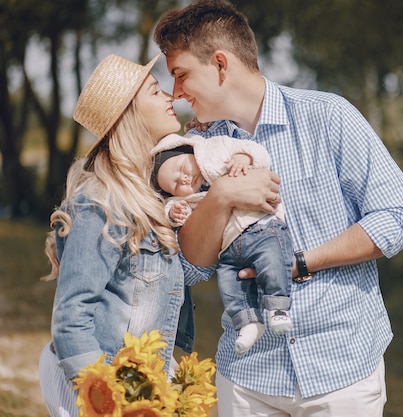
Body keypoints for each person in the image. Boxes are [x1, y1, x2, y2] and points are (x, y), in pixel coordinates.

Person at [154, 1, 403, 416]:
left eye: (181, 74)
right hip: (248, 378)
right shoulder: (197, 153)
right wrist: (222, 194)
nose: (176, 94)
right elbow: (192, 267)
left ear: (221, 65)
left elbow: (402, 215)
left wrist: (299, 262)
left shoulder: (327, 116)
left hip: (341, 371)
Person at [37, 53, 279, 417]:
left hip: (144, 384)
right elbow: (71, 319)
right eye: (154, 91)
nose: (170, 96)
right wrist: (106, 400)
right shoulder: (100, 202)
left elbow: (188, 275)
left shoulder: (154, 197)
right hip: (102, 384)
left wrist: (221, 198)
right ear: (130, 116)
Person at [151, 133, 294, 355]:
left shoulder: (218, 150)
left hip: (261, 226)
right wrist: (175, 212)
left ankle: (278, 308)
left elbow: (258, 152)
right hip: (230, 246)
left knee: (272, 260)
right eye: (176, 184)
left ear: (189, 150)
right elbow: (171, 209)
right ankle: (247, 322)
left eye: (181, 167)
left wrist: (244, 158)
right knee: (230, 283)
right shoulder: (189, 199)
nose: (184, 179)